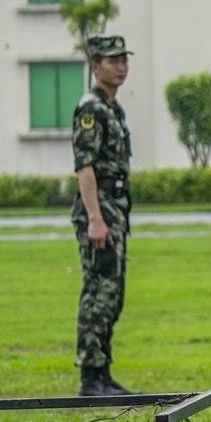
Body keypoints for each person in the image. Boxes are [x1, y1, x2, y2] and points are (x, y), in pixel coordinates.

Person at [69, 33, 135, 396]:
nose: (121, 66)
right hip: (100, 211)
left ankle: (103, 371)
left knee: (113, 292)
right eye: (113, 61)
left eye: (124, 59)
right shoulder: (92, 108)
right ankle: (91, 376)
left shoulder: (112, 108)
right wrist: (95, 218)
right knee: (99, 291)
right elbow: (85, 167)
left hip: (114, 209)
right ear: (95, 66)